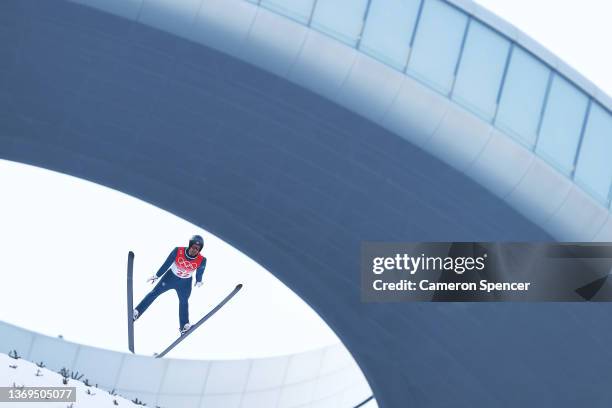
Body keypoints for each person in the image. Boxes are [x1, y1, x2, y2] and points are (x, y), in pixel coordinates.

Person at [133, 235, 207, 335]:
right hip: (170, 278)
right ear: (190, 245)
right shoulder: (178, 251)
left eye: (197, 249)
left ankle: (184, 326)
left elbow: (200, 271)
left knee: (184, 302)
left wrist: (199, 280)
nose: (194, 250)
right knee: (154, 293)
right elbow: (167, 263)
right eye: (193, 247)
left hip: (185, 283)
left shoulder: (202, 260)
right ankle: (136, 312)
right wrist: (157, 275)